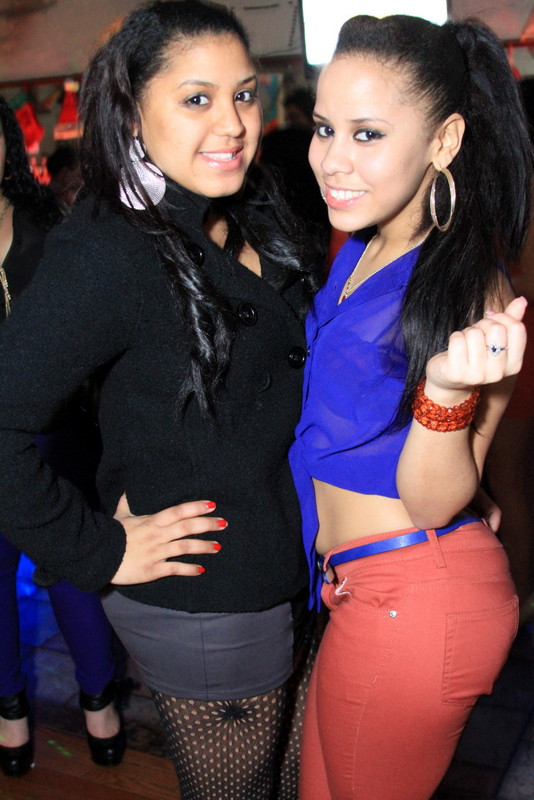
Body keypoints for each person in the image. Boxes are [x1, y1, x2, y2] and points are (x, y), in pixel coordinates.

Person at [0, 3, 320, 798]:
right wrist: (98, 550)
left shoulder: (246, 201)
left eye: (243, 94)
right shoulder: (107, 247)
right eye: (197, 98)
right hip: (208, 596)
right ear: (131, 112)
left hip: (295, 563)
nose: (233, 122)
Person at [289, 14, 531, 800]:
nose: (332, 158)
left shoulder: (469, 285)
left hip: (415, 598)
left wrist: (445, 397)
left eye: (367, 134)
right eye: (325, 128)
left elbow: (433, 499)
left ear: (445, 140)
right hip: (362, 589)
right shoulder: (363, 244)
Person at [0, 95, 125, 776]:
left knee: (73, 563)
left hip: (56, 432)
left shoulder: (49, 225)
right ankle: (9, 706)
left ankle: (99, 695)